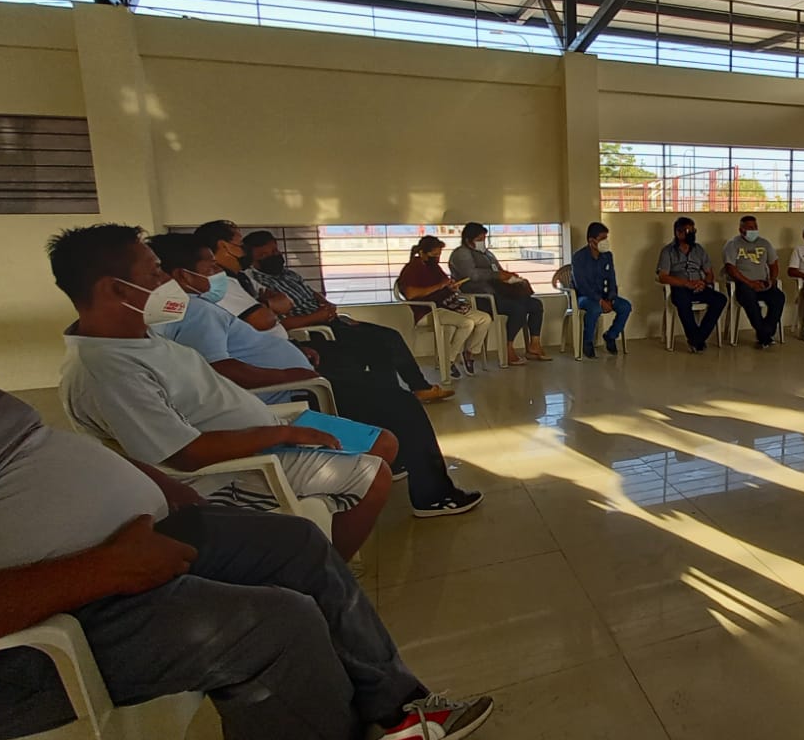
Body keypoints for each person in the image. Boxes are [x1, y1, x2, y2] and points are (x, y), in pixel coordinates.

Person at [0, 182, 492, 740]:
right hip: (2, 648)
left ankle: (397, 710)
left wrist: (153, 490)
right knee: (278, 622)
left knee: (299, 542)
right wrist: (107, 568)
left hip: (138, 528)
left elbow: (35, 456)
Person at [51, 224, 392, 562]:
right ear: (116, 289)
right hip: (232, 474)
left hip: (266, 432)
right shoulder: (106, 369)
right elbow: (185, 455)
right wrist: (285, 434)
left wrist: (281, 427)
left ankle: (325, 539)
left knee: (382, 441)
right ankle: (329, 572)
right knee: (375, 475)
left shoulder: (137, 339)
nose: (168, 281)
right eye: (155, 273)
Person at [151, 233, 481, 518]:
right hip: (295, 392)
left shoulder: (191, 309)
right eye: (211, 267)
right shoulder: (196, 312)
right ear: (183, 275)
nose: (218, 273)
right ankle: (434, 496)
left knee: (379, 380)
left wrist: (295, 351)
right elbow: (220, 367)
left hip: (297, 376)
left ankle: (395, 460)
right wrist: (286, 373)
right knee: (401, 404)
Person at [243, 229, 454, 403]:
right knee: (378, 345)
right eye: (264, 255)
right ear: (253, 260)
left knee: (390, 335)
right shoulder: (259, 286)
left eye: (274, 251)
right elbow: (281, 324)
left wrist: (327, 306)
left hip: (331, 320)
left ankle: (415, 389)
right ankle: (394, 395)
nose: (273, 256)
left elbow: (312, 293)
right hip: (313, 330)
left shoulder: (288, 274)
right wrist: (318, 316)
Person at [448, 222, 551, 366]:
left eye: (484, 238)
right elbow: (472, 275)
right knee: (518, 309)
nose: (482, 242)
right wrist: (497, 275)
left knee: (535, 304)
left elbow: (498, 270)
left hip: (499, 293)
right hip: (480, 297)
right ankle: (508, 348)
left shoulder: (487, 254)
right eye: (479, 239)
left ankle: (534, 344)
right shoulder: (461, 254)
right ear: (468, 240)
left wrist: (510, 277)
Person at [396, 236, 493, 378]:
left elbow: (444, 284)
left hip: (449, 305)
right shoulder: (412, 269)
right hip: (429, 310)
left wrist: (451, 287)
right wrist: (439, 286)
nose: (437, 258)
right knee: (466, 323)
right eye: (434, 254)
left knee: (485, 318)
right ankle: (448, 360)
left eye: (439, 254)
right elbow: (410, 293)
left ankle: (469, 353)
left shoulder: (434, 267)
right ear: (423, 253)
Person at [656, 216, 727, 353]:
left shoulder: (699, 250)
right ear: (678, 233)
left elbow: (709, 273)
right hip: (680, 288)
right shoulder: (667, 251)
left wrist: (704, 283)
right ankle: (697, 340)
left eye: (693, 231)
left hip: (699, 286)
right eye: (688, 231)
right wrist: (685, 283)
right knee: (683, 301)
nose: (692, 234)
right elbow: (663, 277)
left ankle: (696, 339)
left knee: (720, 299)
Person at [722, 215, 785, 349]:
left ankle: (765, 332)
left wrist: (772, 280)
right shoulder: (733, 244)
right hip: (743, 284)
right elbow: (730, 268)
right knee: (749, 299)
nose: (754, 230)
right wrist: (750, 283)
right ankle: (765, 335)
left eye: (755, 227)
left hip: (763, 283)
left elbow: (774, 264)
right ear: (741, 230)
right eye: (750, 228)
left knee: (779, 297)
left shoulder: (765, 243)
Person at [569, 222, 631, 359]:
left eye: (606, 238)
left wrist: (611, 298)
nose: (605, 242)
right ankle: (587, 342)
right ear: (591, 241)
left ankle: (611, 336)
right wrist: (600, 301)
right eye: (602, 238)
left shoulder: (607, 256)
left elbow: (612, 278)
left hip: (605, 296)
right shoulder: (579, 257)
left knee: (625, 306)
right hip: (584, 297)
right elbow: (582, 286)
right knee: (595, 308)